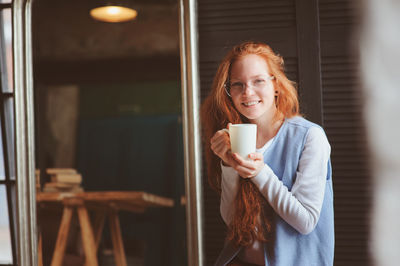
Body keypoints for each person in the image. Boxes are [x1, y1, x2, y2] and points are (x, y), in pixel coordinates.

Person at [200, 41, 334, 266]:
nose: (247, 92)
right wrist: (229, 166)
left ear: (276, 85)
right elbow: (233, 222)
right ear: (229, 91)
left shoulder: (310, 137)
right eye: (237, 84)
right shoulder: (233, 136)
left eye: (258, 81)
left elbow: (306, 221)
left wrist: (260, 172)